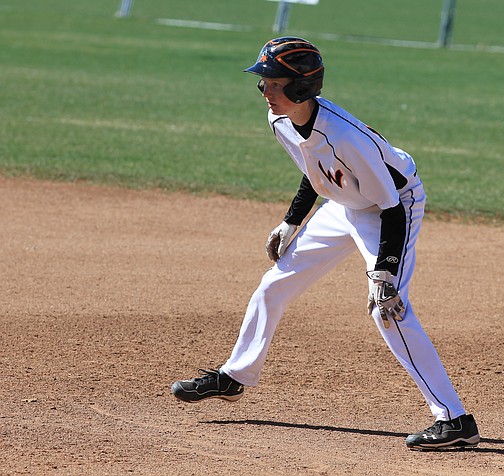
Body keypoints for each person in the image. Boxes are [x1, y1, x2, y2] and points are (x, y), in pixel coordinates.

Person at [171, 37, 480, 451]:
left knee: (387, 309)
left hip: (391, 206)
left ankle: (454, 418)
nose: (264, 91)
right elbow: (316, 170)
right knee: (274, 285)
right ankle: (236, 376)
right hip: (343, 204)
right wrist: (291, 222)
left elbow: (390, 207)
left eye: (273, 83)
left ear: (301, 87)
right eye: (262, 83)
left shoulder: (345, 135)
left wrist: (384, 270)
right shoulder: (280, 120)